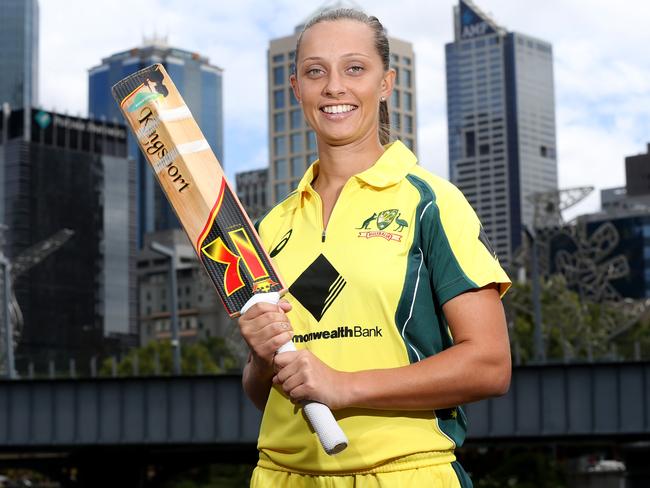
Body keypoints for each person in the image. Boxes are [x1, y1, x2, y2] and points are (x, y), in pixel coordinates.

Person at [238, 8, 511, 487]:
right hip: (280, 476)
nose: (334, 87)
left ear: (386, 84)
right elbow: (266, 393)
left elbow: (490, 365)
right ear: (295, 88)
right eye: (315, 71)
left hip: (402, 473)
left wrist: (345, 386)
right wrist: (261, 361)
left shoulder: (430, 200)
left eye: (355, 68)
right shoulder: (269, 226)